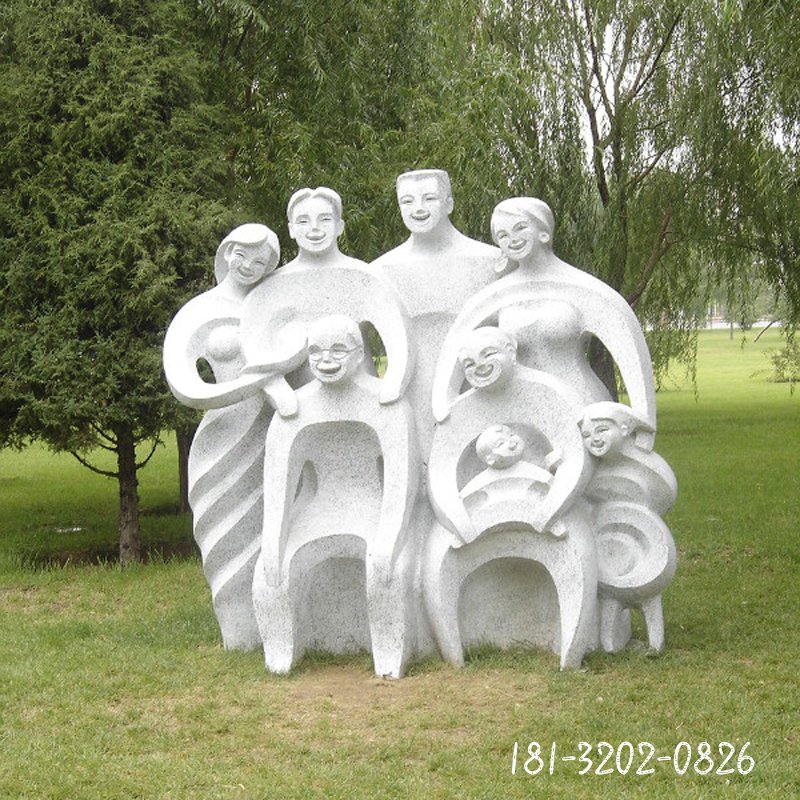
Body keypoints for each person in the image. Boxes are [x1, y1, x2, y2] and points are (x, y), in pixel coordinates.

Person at [251, 315, 418, 677]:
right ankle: (281, 656)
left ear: (359, 354)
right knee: (270, 572)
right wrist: (273, 545)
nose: (325, 359)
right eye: (316, 351)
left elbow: (401, 483)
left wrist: (389, 540)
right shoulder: (294, 411)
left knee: (386, 566)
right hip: (316, 509)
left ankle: (389, 656)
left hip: (372, 509)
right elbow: (278, 488)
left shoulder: (387, 405)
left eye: (338, 350)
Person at [432, 197, 657, 452]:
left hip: (579, 403)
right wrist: (444, 406)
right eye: (502, 235)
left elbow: (628, 352)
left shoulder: (582, 289)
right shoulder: (496, 296)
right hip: (521, 410)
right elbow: (456, 346)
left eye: (520, 228)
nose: (512, 239)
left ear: (543, 231)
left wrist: (645, 423)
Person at [162, 223, 287, 650]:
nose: (249, 266)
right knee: (224, 533)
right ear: (226, 253)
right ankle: (239, 634)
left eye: (261, 261)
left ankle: (281, 622)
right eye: (242, 255)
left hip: (274, 433)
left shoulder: (275, 307)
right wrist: (259, 380)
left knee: (275, 531)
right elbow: (186, 385)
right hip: (221, 439)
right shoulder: (199, 311)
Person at [240, 187, 412, 405]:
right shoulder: (271, 288)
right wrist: (282, 397)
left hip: (362, 400)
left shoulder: (364, 278)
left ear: (340, 226)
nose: (314, 228)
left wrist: (391, 389)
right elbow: (256, 353)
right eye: (303, 221)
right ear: (291, 229)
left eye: (325, 219)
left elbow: (398, 338)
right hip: (300, 404)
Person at [372, 169, 501, 454]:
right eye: (407, 201)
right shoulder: (381, 271)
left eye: (429, 198)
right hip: (410, 396)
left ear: (449, 203)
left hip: (478, 390)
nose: (418, 209)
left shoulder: (490, 262)